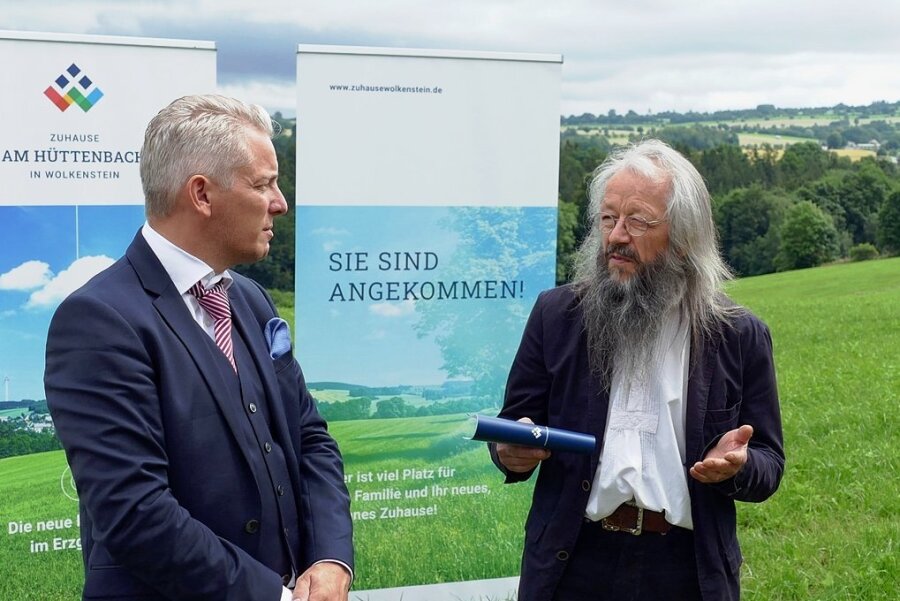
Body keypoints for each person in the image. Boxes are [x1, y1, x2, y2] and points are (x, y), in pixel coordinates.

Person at [45, 95, 353, 601]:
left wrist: (330, 558)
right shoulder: (99, 320)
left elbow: (309, 438)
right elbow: (134, 512)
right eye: (264, 184)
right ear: (202, 195)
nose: (280, 202)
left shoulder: (250, 300)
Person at [491, 139, 784, 601]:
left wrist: (740, 466)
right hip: (573, 562)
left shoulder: (738, 335)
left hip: (685, 569)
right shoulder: (557, 316)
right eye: (608, 218)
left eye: (638, 221)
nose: (616, 236)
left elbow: (769, 463)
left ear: (685, 240)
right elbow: (514, 427)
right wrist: (511, 450)